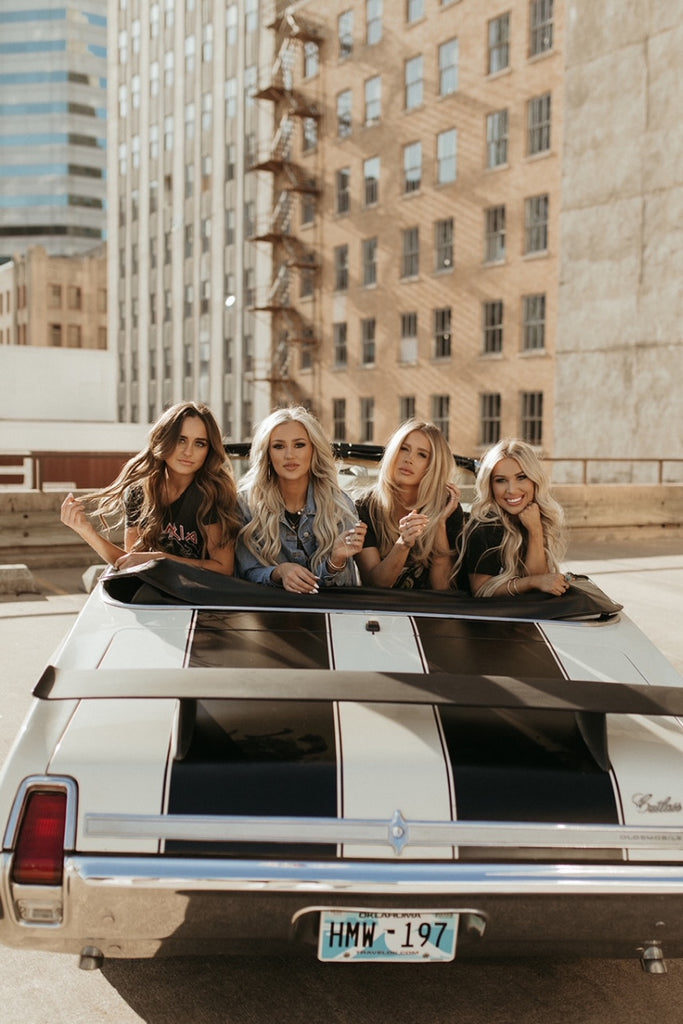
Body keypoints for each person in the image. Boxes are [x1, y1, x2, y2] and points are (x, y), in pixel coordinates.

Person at [60, 401, 240, 574]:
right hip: (153, 590)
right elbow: (131, 562)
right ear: (164, 440)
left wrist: (161, 558)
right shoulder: (139, 492)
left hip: (198, 592)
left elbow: (223, 568)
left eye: (200, 443)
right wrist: (86, 531)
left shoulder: (212, 494)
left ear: (209, 450)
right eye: (180, 440)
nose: (188, 451)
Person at [235, 406, 366, 593]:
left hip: (329, 609)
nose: (289, 455)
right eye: (279, 446)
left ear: (313, 449)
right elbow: (245, 574)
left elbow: (344, 589)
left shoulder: (339, 505)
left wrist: (335, 561)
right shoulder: (246, 504)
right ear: (268, 454)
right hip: (266, 609)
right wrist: (279, 572)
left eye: (299, 445)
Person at [353, 419, 463, 589]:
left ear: (433, 465)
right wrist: (403, 544)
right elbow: (375, 584)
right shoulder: (366, 506)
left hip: (427, 605)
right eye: (404, 448)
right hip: (380, 605)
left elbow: (442, 589)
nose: (409, 459)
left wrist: (440, 524)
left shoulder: (448, 508)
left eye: (422, 455)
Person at [453, 437, 568, 598]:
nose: (512, 490)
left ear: (534, 479)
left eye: (521, 477)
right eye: (501, 480)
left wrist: (535, 530)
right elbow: (481, 590)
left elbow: (540, 582)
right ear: (490, 486)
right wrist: (531, 582)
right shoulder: (485, 527)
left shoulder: (536, 518)